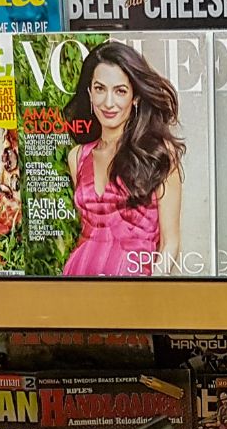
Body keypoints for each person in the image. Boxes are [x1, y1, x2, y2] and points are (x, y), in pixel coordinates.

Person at [63, 41, 185, 278]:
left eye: (120, 91)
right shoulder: (77, 156)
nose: (108, 103)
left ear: (136, 97)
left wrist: (150, 293)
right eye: (100, 89)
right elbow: (86, 231)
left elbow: (171, 242)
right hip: (78, 280)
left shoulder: (159, 155)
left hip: (135, 291)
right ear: (89, 93)